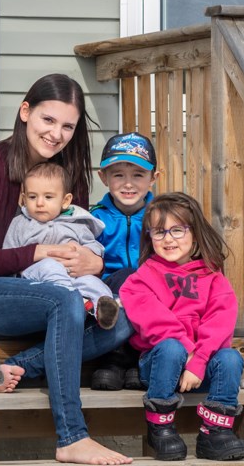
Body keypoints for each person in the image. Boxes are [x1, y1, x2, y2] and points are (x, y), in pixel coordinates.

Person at [0, 73, 133, 465]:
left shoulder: (67, 175)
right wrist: (37, 252)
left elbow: (81, 243)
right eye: (48, 120)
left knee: (126, 310)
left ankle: (13, 368)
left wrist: (94, 261)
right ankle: (71, 436)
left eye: (67, 125)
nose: (56, 134)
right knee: (63, 300)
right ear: (25, 112)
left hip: (54, 291)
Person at [119, 193, 244, 462]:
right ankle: (161, 427)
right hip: (159, 366)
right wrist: (190, 355)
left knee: (230, 357)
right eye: (159, 232)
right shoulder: (140, 279)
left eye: (177, 230)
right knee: (170, 347)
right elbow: (157, 322)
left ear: (195, 233)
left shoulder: (213, 277)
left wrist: (199, 360)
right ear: (149, 237)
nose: (168, 239)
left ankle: (216, 433)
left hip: (199, 370)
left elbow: (220, 322)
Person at [3, 161, 120, 329]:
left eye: (48, 197)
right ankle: (73, 300)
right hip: (36, 277)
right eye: (32, 196)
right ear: (23, 199)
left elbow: (94, 247)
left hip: (74, 276)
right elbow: (9, 255)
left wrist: (84, 252)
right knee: (50, 266)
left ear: (65, 201)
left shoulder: (76, 223)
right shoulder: (20, 223)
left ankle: (101, 308)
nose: (39, 203)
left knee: (92, 283)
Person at [89, 132, 160, 389]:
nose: (128, 183)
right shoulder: (94, 219)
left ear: (154, 178)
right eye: (118, 175)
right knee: (127, 278)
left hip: (153, 294)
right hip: (109, 293)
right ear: (103, 177)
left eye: (138, 175)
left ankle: (140, 360)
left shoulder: (163, 217)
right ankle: (114, 360)